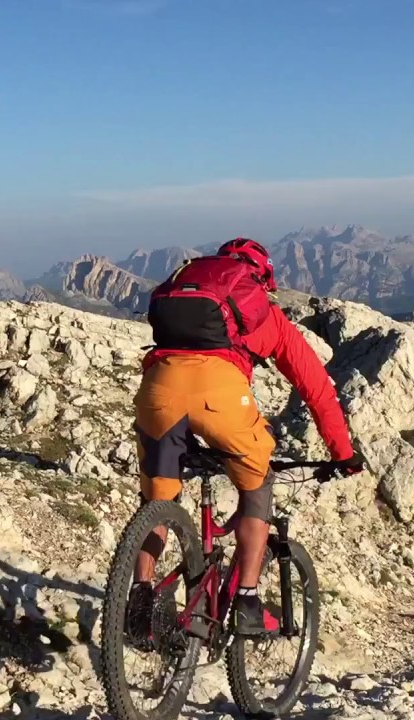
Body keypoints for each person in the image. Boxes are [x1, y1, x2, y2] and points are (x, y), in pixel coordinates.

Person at [131, 238, 363, 636]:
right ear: (259, 282)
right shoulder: (265, 316)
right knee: (259, 483)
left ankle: (137, 596)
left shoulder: (184, 290)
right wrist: (342, 453)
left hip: (157, 391)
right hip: (220, 399)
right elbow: (316, 389)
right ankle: (248, 601)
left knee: (158, 497)